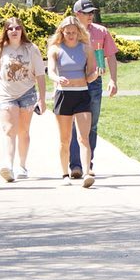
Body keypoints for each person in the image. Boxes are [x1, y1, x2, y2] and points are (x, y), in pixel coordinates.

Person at [0, 17, 46, 182]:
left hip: (27, 94)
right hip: (6, 95)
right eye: (10, 28)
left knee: (23, 131)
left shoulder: (31, 49)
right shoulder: (0, 51)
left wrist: (42, 99)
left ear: (22, 30)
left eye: (17, 28)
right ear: (6, 31)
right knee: (9, 130)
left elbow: (40, 75)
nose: (14, 31)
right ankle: (8, 166)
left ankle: (22, 166)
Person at [68, 0, 119, 178]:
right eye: (87, 13)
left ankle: (87, 163)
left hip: (94, 83)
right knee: (74, 124)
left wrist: (113, 80)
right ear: (77, 14)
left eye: (92, 12)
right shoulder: (70, 31)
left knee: (92, 124)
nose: (91, 15)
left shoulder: (101, 32)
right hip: (74, 82)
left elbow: (111, 56)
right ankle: (75, 165)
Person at [47, 15, 98, 188]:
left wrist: (96, 74)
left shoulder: (86, 49)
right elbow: (51, 71)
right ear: (62, 32)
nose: (71, 35)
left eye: (74, 33)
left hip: (82, 93)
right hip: (63, 95)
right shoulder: (55, 49)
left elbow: (90, 75)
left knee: (84, 137)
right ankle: (64, 174)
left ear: (79, 32)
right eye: (67, 32)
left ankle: (86, 173)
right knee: (65, 139)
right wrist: (58, 78)